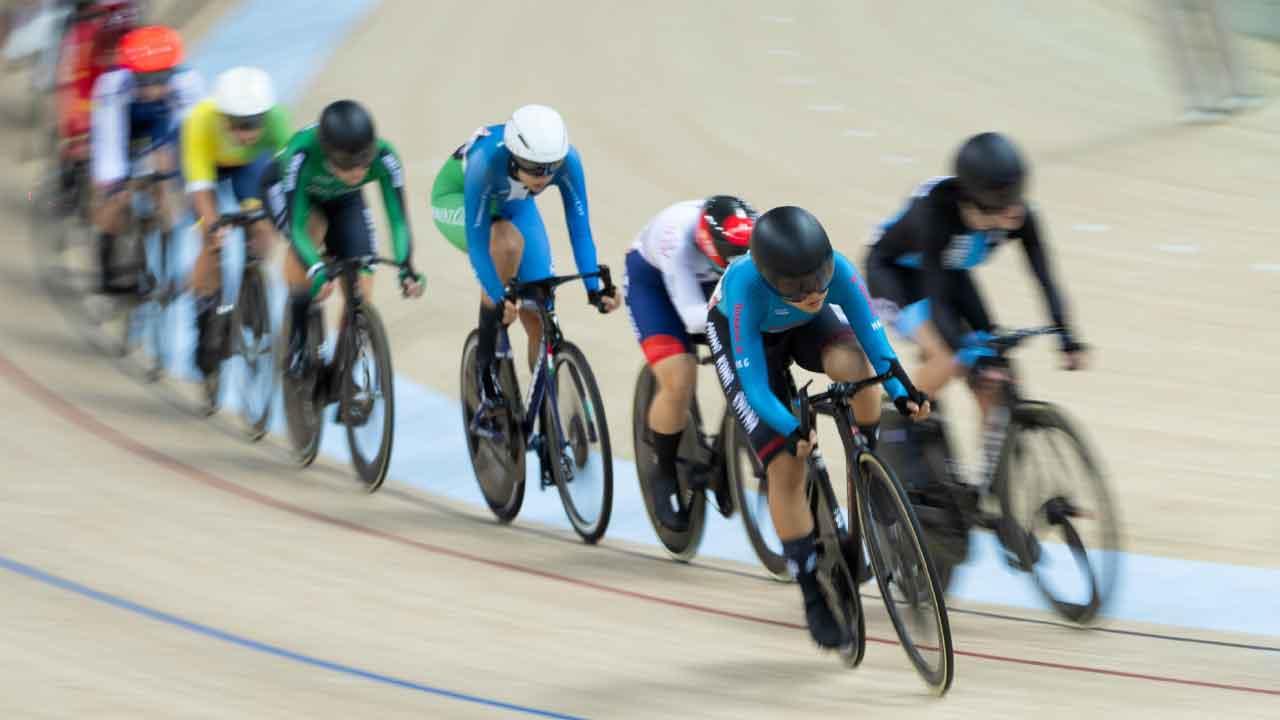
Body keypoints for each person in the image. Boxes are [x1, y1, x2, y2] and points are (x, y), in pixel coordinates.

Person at [707, 205, 929, 649]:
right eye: (797, 285)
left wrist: (902, 387)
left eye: (818, 278)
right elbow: (753, 385)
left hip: (802, 328)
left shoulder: (836, 273)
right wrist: (789, 428)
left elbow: (872, 334)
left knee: (855, 366)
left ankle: (865, 460)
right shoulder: (745, 292)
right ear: (772, 279)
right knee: (786, 466)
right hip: (747, 346)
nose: (812, 292)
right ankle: (811, 590)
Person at [430, 104, 621, 435]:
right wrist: (497, 293)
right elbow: (478, 245)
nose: (544, 178)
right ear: (516, 157)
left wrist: (594, 287)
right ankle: (485, 370)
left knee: (540, 304)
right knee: (505, 244)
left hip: (513, 202)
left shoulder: (567, 160)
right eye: (535, 170)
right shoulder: (485, 162)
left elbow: (579, 228)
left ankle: (544, 409)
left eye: (551, 170)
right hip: (459, 200)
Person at [863, 132, 1088, 409]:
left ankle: (994, 450)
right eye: (1005, 202)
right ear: (977, 201)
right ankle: (897, 423)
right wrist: (962, 350)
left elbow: (1045, 279)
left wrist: (1067, 335)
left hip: (948, 271)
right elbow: (938, 300)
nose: (1016, 211)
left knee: (996, 376)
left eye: (1018, 196)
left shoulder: (1020, 217)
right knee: (946, 358)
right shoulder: (935, 213)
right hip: (893, 275)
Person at [264, 99, 424, 383]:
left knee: (361, 285)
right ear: (327, 155)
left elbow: (398, 220)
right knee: (312, 231)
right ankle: (297, 338)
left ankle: (342, 368)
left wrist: (405, 265)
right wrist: (314, 269)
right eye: (347, 165)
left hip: (343, 198)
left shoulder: (384, 156)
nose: (358, 172)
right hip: (292, 193)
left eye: (363, 162)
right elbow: (297, 227)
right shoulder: (301, 155)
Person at [623, 195, 756, 531]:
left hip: (715, 278)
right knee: (679, 376)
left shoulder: (756, 232)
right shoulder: (676, 241)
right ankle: (663, 471)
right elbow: (694, 318)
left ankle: (729, 448)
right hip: (654, 283)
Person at [180, 65, 290, 379]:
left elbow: (287, 173)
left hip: (249, 168)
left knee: (263, 225)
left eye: (252, 124)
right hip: (208, 168)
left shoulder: (277, 119)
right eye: (237, 125)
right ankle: (204, 314)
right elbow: (200, 185)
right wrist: (211, 224)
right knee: (209, 236)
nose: (245, 133)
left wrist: (274, 221)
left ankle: (250, 283)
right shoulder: (200, 120)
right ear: (221, 117)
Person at [88, 23, 202, 294]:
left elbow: (191, 137)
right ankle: (107, 260)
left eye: (160, 80)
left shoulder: (188, 83)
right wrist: (114, 184)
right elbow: (109, 141)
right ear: (132, 74)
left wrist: (180, 182)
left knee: (167, 174)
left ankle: (171, 251)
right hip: (125, 123)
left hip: (162, 124)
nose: (152, 89)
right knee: (113, 197)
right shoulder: (112, 85)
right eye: (145, 82)